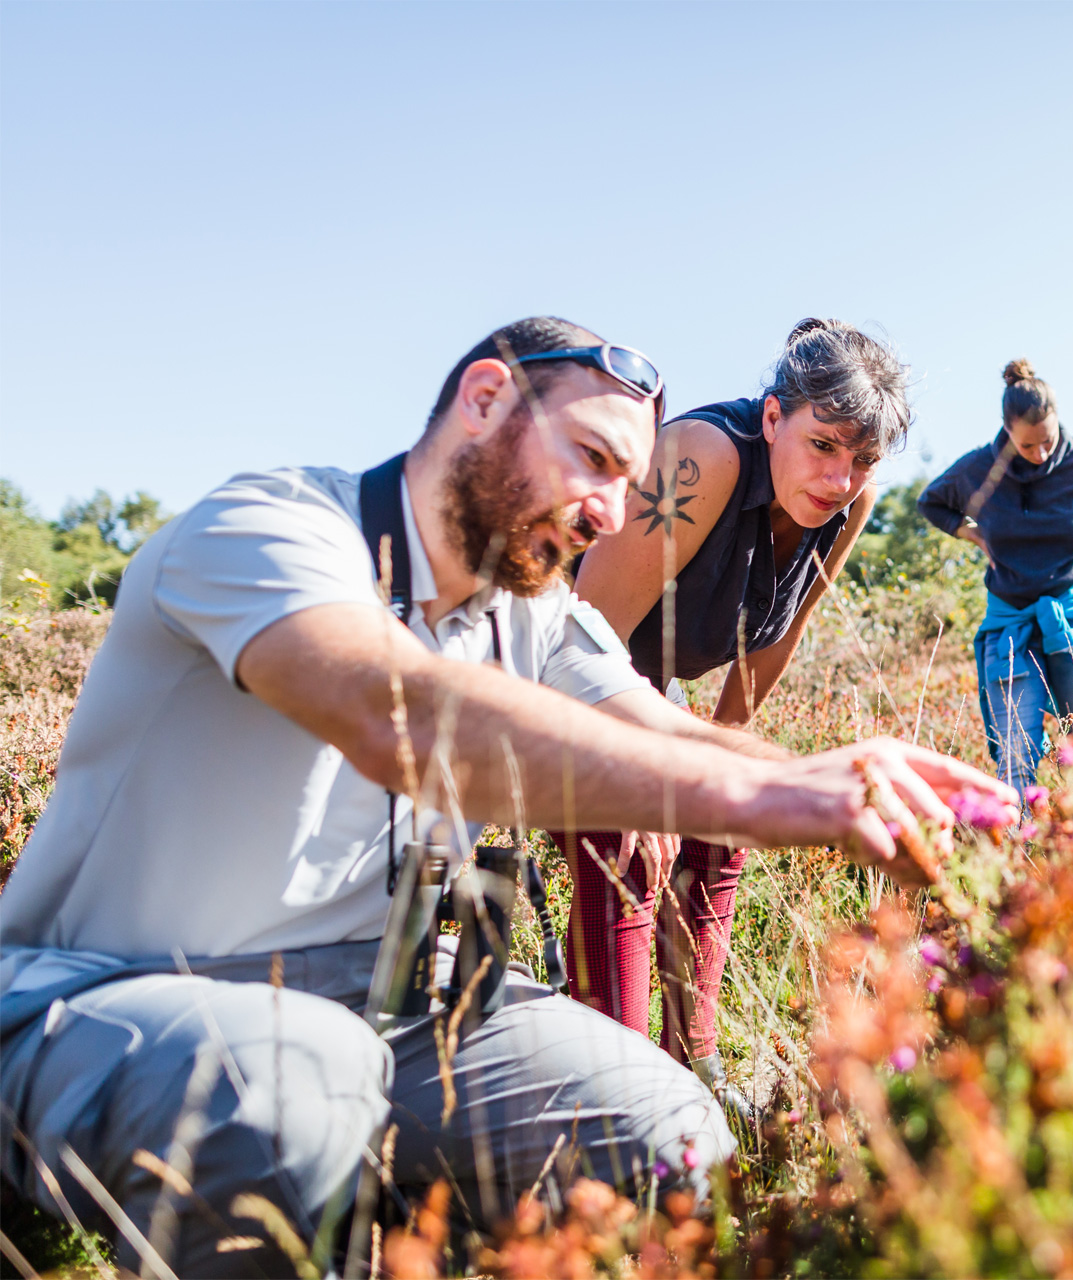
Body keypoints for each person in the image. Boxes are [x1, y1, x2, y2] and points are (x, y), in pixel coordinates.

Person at [0, 316, 1006, 1277]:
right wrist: (760, 797)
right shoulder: (273, 526)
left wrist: (821, 776)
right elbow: (396, 711)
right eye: (595, 459)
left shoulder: (537, 611)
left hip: (385, 1006)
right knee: (287, 1089)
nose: (615, 511)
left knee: (673, 1140)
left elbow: (658, 730)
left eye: (627, 480)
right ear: (485, 400)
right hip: (107, 988)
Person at [563, 319, 901, 1109]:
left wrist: (726, 763)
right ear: (774, 417)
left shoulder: (848, 503)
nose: (840, 478)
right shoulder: (704, 457)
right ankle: (622, 1092)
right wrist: (654, 770)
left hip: (648, 688)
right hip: (555, 670)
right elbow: (579, 642)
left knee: (732, 813)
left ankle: (697, 1070)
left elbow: (774, 648)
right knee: (628, 837)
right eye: (823, 446)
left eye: (863, 460)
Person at [918, 359, 1073, 792]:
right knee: (1016, 755)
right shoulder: (980, 468)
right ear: (1006, 430)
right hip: (1011, 623)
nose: (1040, 454)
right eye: (1027, 446)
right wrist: (975, 537)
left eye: (1047, 441)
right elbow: (931, 503)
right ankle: (1013, 847)